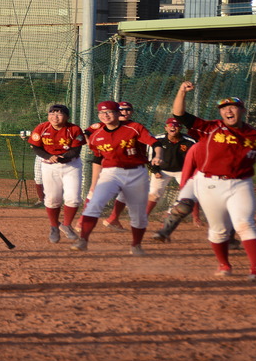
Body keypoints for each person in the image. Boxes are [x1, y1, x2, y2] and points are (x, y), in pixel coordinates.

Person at [172, 82, 256, 281]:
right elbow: (179, 115)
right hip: (209, 184)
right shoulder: (208, 128)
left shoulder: (255, 135)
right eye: (223, 108)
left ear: (242, 110)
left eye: (233, 107)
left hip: (240, 184)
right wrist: (182, 91)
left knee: (245, 224)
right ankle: (224, 264)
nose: (228, 110)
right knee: (218, 231)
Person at [73, 101, 159, 254]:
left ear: (118, 114)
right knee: (95, 203)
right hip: (110, 172)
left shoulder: (134, 128)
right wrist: (94, 182)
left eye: (110, 112)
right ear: (98, 116)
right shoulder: (96, 136)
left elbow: (155, 143)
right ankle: (83, 239)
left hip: (136, 173)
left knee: (138, 214)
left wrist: (158, 156)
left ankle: (136, 245)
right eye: (102, 113)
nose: (105, 115)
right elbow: (97, 158)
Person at [27, 104, 85, 243]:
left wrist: (62, 157)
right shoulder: (42, 127)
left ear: (67, 117)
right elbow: (36, 146)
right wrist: (48, 157)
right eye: (52, 113)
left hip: (71, 165)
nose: (55, 117)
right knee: (53, 199)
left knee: (73, 198)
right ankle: (54, 226)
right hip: (49, 166)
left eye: (59, 114)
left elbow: (76, 150)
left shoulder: (74, 129)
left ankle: (66, 225)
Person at [145, 117, 197, 217]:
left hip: (182, 171)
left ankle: (192, 217)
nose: (173, 127)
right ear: (165, 128)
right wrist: (155, 171)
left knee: (189, 194)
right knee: (154, 194)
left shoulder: (189, 141)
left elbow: (195, 158)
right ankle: (144, 215)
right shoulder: (157, 140)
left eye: (176, 125)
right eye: (170, 125)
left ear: (180, 128)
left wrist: (190, 173)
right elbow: (150, 157)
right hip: (162, 170)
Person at [100, 100, 136, 230]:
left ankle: (113, 218)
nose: (125, 112)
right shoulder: (105, 124)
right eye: (122, 110)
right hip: (106, 163)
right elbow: (88, 134)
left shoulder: (134, 127)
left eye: (128, 110)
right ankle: (82, 221)